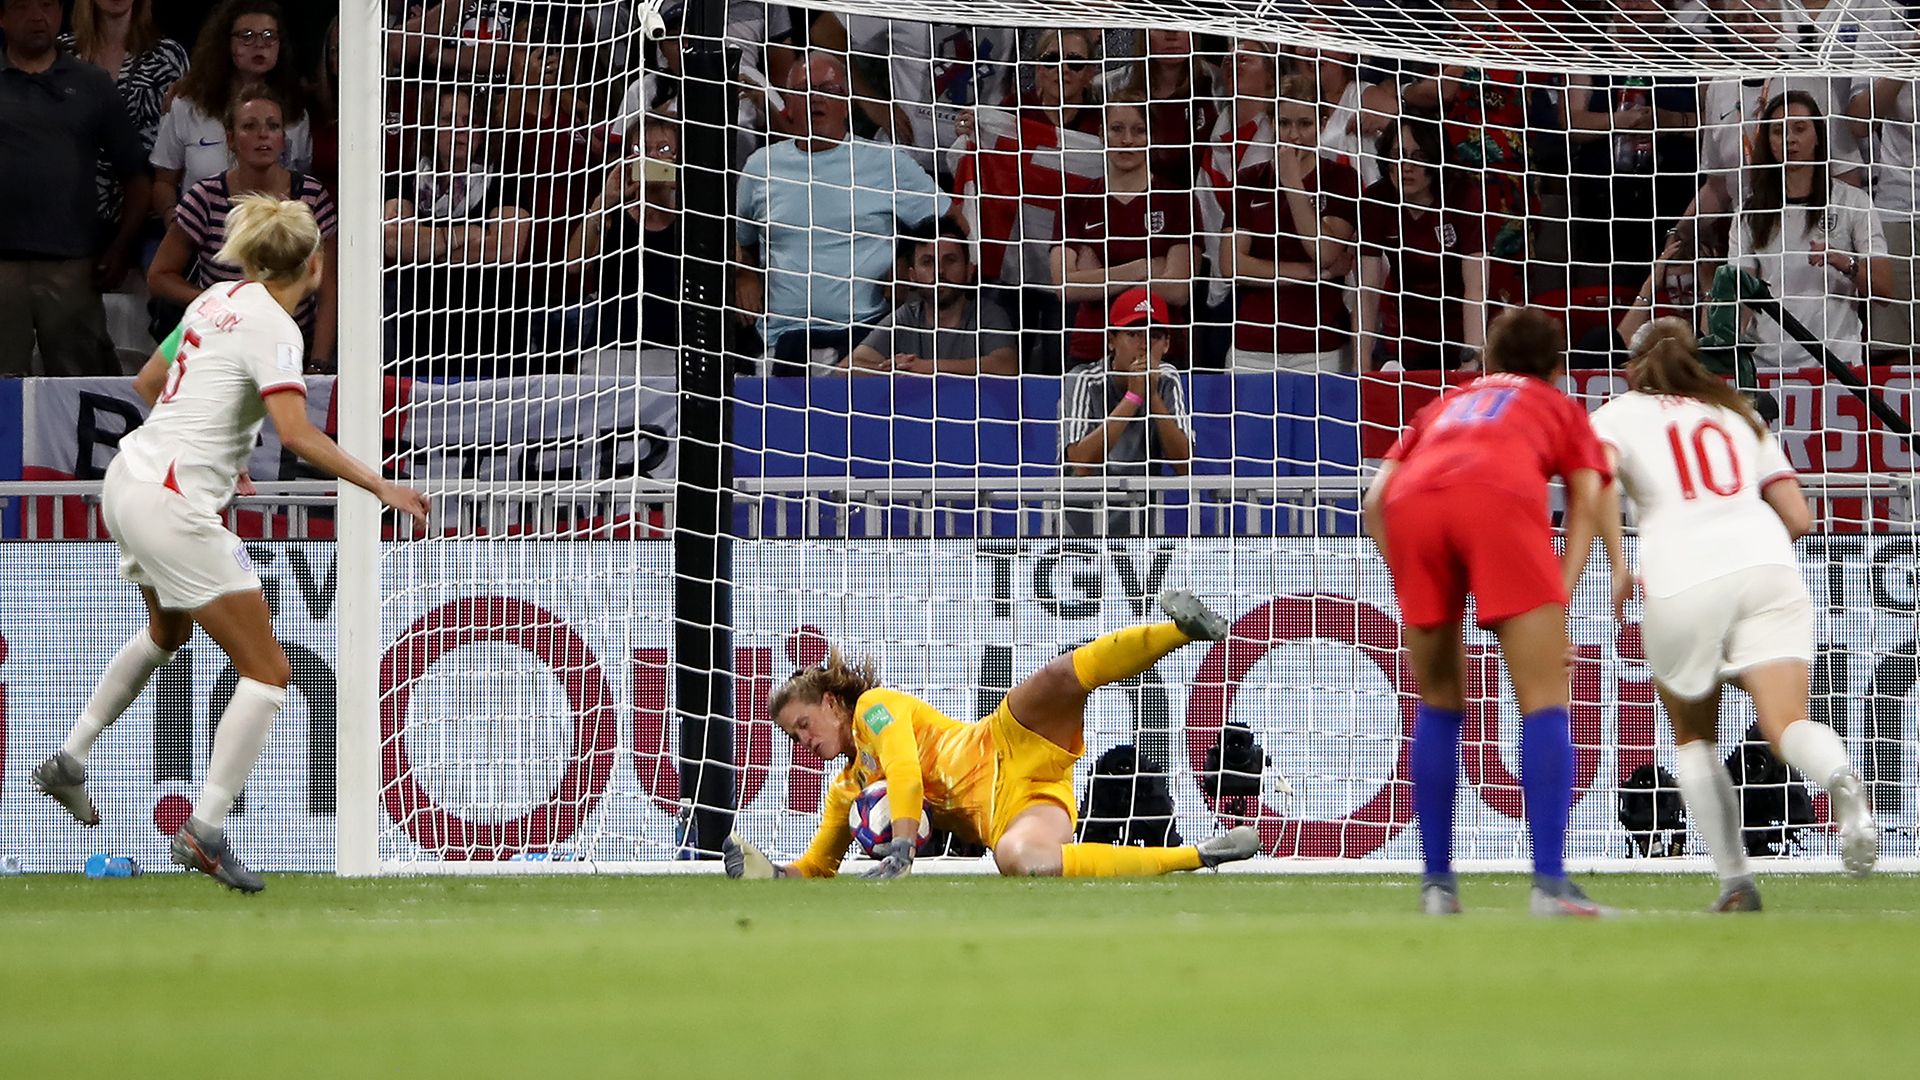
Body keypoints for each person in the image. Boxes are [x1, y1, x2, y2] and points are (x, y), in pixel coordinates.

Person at [30, 194, 430, 892]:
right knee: (270, 673)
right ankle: (205, 828)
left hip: (129, 479)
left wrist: (223, 444)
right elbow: (299, 433)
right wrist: (380, 485)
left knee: (167, 630)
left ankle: (70, 759)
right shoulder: (277, 329)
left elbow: (150, 381)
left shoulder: (217, 298)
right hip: (174, 503)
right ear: (313, 265)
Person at [1589, 318, 1877, 910]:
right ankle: (1842, 783)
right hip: (1768, 567)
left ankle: (1736, 883)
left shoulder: (1617, 414)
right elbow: (1798, 518)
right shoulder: (1740, 414)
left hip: (1681, 576)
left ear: (1632, 367)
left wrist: (1619, 565)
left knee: (1693, 738)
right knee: (1786, 724)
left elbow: (1592, 484)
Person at [1363, 307, 1626, 917]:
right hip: (1497, 499)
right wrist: (1569, 587)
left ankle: (1437, 886)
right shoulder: (1558, 406)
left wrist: (1409, 582)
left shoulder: (1445, 405)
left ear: (1489, 362)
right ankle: (1551, 885)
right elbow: (1591, 491)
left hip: (1413, 508)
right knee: (1543, 696)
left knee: (1438, 701)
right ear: (1556, 369)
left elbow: (1376, 498)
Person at [721, 591, 1259, 879]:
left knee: (1059, 676)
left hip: (1003, 740)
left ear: (833, 704)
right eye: (792, 738)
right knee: (1024, 861)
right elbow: (818, 867)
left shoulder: (873, 711)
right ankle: (1197, 856)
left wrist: (902, 846)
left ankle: (1179, 629)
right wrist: (770, 874)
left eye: (801, 726)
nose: (801, 744)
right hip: (1012, 809)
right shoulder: (848, 791)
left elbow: (906, 773)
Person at [734, 50, 951, 372]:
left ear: (847, 104)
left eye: (829, 91)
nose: (816, 100)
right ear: (788, 103)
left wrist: (907, 266)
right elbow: (741, 239)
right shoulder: (761, 166)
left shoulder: (885, 161)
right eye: (805, 91)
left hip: (870, 340)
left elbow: (951, 223)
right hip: (784, 339)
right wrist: (745, 274)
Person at [0, 0, 153, 377]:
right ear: (2, 18)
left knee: (81, 385)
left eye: (48, 6)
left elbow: (135, 174)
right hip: (2, 266)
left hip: (74, 265)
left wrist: (121, 246)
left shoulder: (92, 83)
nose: (37, 16)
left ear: (61, 14)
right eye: (22, 6)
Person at [148, 85, 338, 369]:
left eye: (273, 126)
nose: (263, 134)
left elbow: (328, 288)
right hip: (223, 349)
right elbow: (159, 276)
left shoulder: (311, 196)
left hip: (294, 349)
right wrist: (215, 302)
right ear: (231, 139)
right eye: (250, 126)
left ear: (283, 139)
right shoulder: (205, 197)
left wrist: (319, 363)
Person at [1730, 92, 1894, 372]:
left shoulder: (1853, 202)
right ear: (1768, 142)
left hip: (1837, 366)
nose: (1789, 139)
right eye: (1778, 131)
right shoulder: (1749, 213)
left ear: (1818, 136)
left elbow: (1884, 290)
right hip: (1767, 366)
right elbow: (1740, 299)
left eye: (1799, 128)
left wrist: (1844, 262)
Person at [383, 84, 535, 373]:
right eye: (449, 120)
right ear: (431, 125)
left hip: (490, 337)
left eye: (470, 121)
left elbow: (505, 248)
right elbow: (393, 243)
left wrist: (427, 248)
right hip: (420, 334)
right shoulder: (405, 179)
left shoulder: (505, 180)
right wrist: (462, 234)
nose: (461, 130)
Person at [1222, 74, 1358, 371]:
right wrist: (1312, 273)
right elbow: (1232, 265)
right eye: (1284, 123)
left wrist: (1293, 185)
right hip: (1251, 347)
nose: (1293, 135)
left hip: (1318, 348)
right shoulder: (1249, 181)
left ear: (1323, 124)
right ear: (1272, 123)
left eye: (1304, 124)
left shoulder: (1342, 180)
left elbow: (1324, 251)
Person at [1054, 90, 1194, 367]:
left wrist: (1095, 276)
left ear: (1151, 136)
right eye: (1117, 129)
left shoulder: (1177, 199)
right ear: (1102, 134)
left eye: (1138, 130)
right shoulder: (1077, 201)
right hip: (1091, 348)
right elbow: (1066, 286)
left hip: (1161, 352)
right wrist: (1145, 267)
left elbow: (1178, 290)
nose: (1127, 140)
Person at [152, 0, 311, 226]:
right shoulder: (188, 105)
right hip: (202, 234)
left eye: (269, 36)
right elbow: (163, 182)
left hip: (272, 238)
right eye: (247, 35)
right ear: (225, 43)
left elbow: (303, 183)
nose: (259, 45)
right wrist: (174, 220)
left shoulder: (295, 113)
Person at [1357, 118, 1487, 371]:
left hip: (1459, 335)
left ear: (1435, 158)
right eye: (1397, 155)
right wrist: (1361, 366)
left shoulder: (1463, 196)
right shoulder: (1375, 200)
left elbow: (1476, 288)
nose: (1406, 165)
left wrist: (1471, 359)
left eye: (1418, 155)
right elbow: (1368, 290)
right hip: (1403, 338)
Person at [58, 0, 189, 246]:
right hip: (71, 215)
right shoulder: (62, 53)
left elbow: (183, 137)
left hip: (149, 219)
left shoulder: (167, 56)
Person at [566, 115, 682, 355]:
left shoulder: (691, 220)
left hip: (674, 351)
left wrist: (687, 193)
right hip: (613, 348)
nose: (651, 157)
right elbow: (574, 263)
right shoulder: (612, 216)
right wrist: (603, 201)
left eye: (664, 149)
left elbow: (733, 259)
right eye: (641, 149)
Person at [847, 228, 1020, 375]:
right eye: (928, 262)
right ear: (912, 276)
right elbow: (846, 368)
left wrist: (928, 368)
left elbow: (1006, 365)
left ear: (969, 271)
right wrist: (893, 370)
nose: (939, 271)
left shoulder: (988, 314)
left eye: (950, 260)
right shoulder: (905, 317)